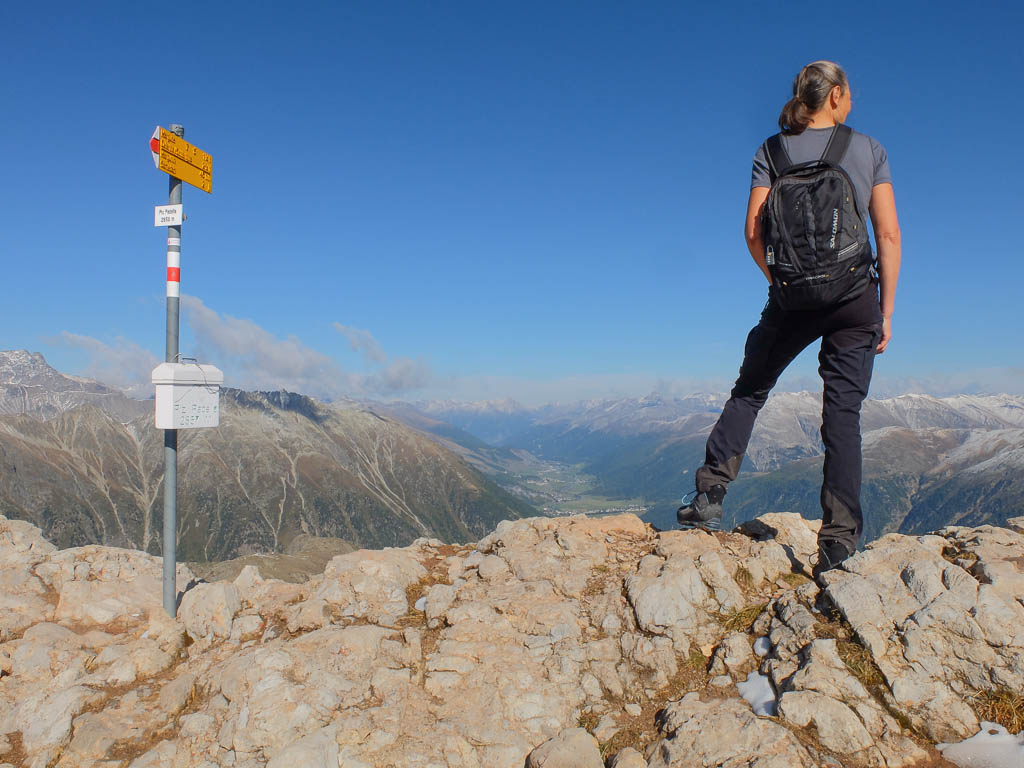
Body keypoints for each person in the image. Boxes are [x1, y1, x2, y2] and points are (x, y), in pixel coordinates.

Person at [677, 60, 902, 578]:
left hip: (791, 295)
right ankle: (839, 543)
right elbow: (887, 236)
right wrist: (885, 310)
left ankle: (710, 494)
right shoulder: (867, 149)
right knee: (843, 416)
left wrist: (777, 281)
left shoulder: (770, 151)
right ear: (838, 95)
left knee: (751, 389)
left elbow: (754, 233)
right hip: (854, 298)